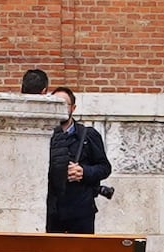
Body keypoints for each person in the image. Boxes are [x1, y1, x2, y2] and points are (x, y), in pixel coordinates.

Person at [33, 65, 115, 237]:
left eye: (64, 104)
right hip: (52, 211)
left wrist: (83, 172)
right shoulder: (41, 135)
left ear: (73, 108)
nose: (60, 108)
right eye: (55, 104)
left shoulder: (88, 134)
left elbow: (104, 167)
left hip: (81, 211)